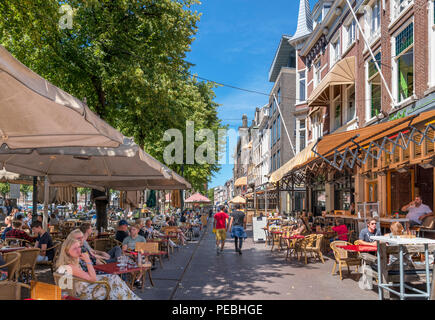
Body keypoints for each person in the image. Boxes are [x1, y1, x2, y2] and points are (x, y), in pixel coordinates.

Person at [56, 238, 141, 300]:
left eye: (79, 247)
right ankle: (131, 298)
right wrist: (88, 260)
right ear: (67, 251)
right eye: (75, 248)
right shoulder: (70, 266)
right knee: (113, 285)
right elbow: (92, 278)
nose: (79, 250)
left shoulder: (70, 262)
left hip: (82, 287)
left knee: (113, 278)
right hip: (84, 293)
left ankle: (130, 297)